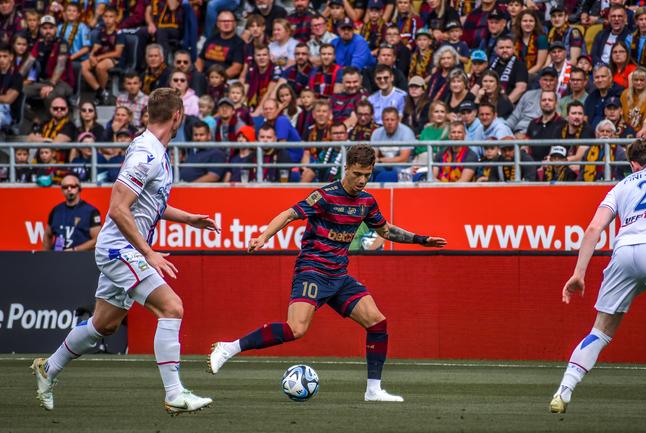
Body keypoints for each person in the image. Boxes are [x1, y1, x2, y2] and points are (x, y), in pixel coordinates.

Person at [208, 143, 446, 403]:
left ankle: (373, 390)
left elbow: (385, 231)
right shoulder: (325, 196)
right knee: (296, 329)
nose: (362, 180)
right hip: (312, 271)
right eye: (357, 174)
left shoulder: (366, 201)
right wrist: (264, 236)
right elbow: (290, 214)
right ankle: (229, 347)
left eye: (367, 175)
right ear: (347, 169)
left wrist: (421, 239)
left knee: (377, 322)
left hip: (339, 276)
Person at [31, 88, 217, 414]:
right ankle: (174, 394)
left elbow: (149, 201)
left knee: (104, 325)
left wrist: (188, 219)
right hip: (121, 248)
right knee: (172, 308)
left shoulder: (154, 149)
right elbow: (118, 208)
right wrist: (148, 252)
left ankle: (48, 369)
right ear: (177, 116)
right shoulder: (146, 152)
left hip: (123, 248)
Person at [550, 138, 646, 414]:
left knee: (600, 330)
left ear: (633, 164)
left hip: (623, 252)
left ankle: (562, 391)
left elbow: (593, 230)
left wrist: (578, 274)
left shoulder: (621, 186)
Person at [43, 173, 101, 252]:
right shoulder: (56, 210)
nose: (69, 189)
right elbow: (47, 234)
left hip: (80, 258)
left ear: (79, 188)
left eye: (73, 186)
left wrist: (75, 250)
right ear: (62, 190)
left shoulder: (90, 211)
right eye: (65, 187)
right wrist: (46, 255)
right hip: (57, 257)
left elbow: (97, 240)